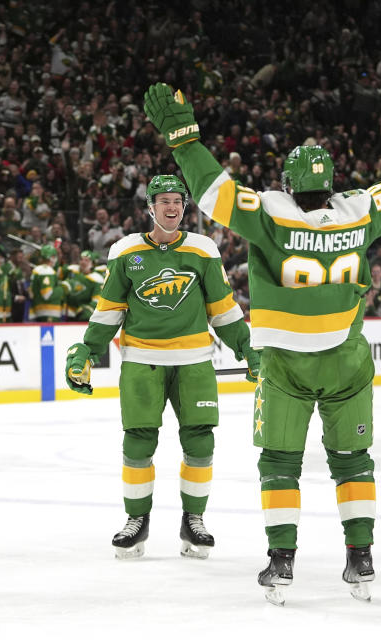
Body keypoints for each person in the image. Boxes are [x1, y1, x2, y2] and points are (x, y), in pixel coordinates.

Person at [142, 82, 381, 603]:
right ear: (332, 182)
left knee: (280, 464)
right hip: (348, 361)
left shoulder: (272, 212)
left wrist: (182, 137)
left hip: (285, 364)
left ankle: (281, 562)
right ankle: (361, 558)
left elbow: (212, 190)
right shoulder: (359, 211)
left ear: (288, 182)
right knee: (354, 460)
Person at [64, 174, 259, 560]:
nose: (172, 207)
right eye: (164, 201)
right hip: (141, 362)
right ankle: (137, 520)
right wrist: (88, 349)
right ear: (150, 207)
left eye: (178, 201)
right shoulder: (125, 251)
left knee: (200, 442)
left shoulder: (203, 250)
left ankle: (194, 520)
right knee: (138, 441)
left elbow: (223, 311)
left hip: (194, 363)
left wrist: (247, 350)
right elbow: (109, 311)